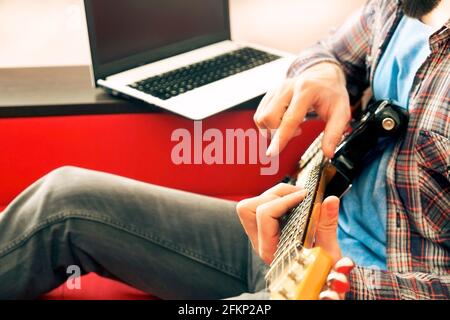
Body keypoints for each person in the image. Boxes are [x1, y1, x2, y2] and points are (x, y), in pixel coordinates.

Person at [0, 0, 448, 300]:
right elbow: (330, 50)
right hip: (292, 234)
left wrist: (343, 281)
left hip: (345, 286)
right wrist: (325, 70)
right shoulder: (400, 5)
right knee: (64, 200)